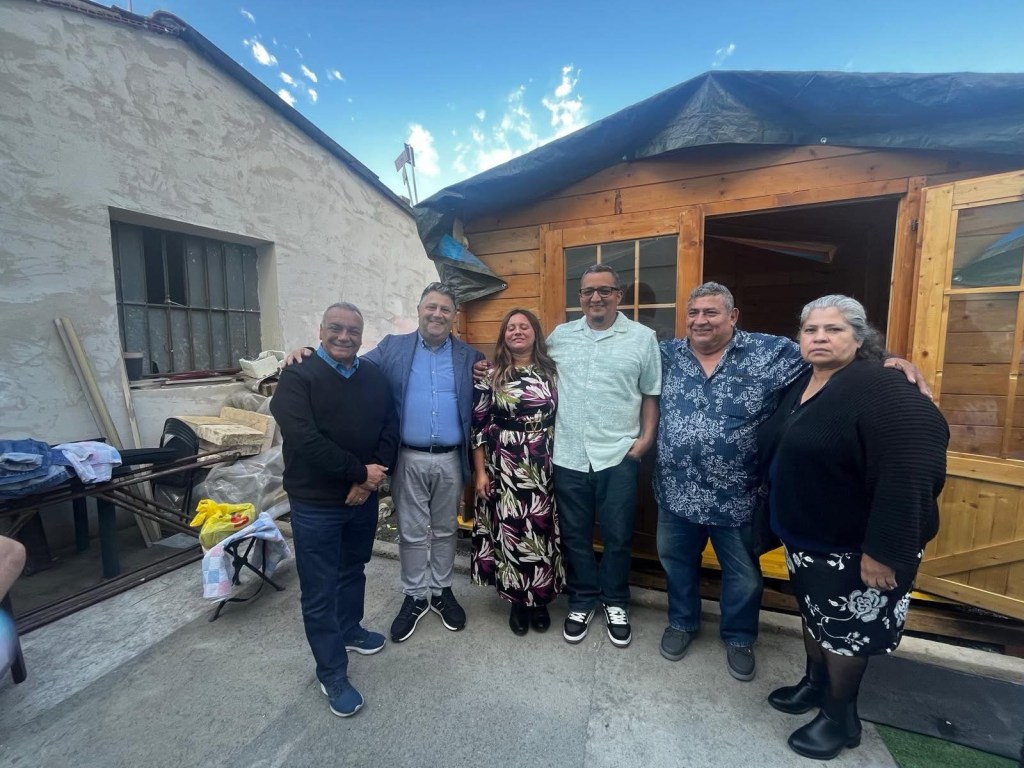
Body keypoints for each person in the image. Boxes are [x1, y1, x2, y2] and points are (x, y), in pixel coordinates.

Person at [655, 282, 930, 683]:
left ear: (732, 316)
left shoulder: (772, 352)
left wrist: (891, 360)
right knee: (676, 563)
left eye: (711, 312)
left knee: (743, 575)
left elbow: (835, 352)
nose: (701, 321)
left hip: (738, 495)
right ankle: (681, 623)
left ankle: (739, 637)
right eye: (694, 313)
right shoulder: (666, 355)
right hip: (675, 490)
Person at [758, 295, 947, 761]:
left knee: (847, 633)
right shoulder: (806, 379)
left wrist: (885, 550)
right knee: (817, 618)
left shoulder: (886, 387)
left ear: (861, 338)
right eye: (811, 330)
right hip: (809, 540)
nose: (820, 337)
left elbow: (912, 469)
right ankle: (815, 684)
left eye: (834, 329)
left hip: (859, 548)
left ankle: (840, 717)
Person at [285, 283, 485, 643]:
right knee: (411, 531)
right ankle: (415, 595)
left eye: (445, 309)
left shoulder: (470, 357)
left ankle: (441, 590)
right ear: (419, 310)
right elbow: (347, 362)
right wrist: (308, 353)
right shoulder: (393, 347)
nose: (437, 314)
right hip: (406, 456)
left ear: (454, 316)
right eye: (431, 307)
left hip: (450, 459)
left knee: (445, 530)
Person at [270, 302, 398, 718]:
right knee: (319, 590)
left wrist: (370, 479)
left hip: (362, 499)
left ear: (362, 336)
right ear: (320, 330)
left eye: (353, 331)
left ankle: (349, 629)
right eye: (336, 328)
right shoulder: (298, 377)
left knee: (353, 569)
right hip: (316, 504)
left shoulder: (373, 377)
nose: (344, 337)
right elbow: (304, 439)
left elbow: (390, 427)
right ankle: (332, 673)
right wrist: (358, 473)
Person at [547, 264, 661, 647]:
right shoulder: (561, 337)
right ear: (580, 298)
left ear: (619, 295)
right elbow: (528, 367)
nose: (596, 297)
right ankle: (582, 599)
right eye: (588, 291)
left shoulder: (642, 339)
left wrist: (646, 439)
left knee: (618, 534)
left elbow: (650, 394)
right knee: (575, 535)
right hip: (568, 454)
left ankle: (615, 600)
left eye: (604, 290)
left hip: (618, 454)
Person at [471, 308, 563, 636]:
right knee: (511, 529)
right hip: (505, 462)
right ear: (504, 335)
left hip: (546, 462)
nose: (518, 331)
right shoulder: (490, 373)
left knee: (541, 530)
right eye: (511, 327)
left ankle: (540, 600)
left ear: (535, 333)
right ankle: (517, 602)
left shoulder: (552, 370)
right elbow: (479, 425)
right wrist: (480, 473)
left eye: (524, 326)